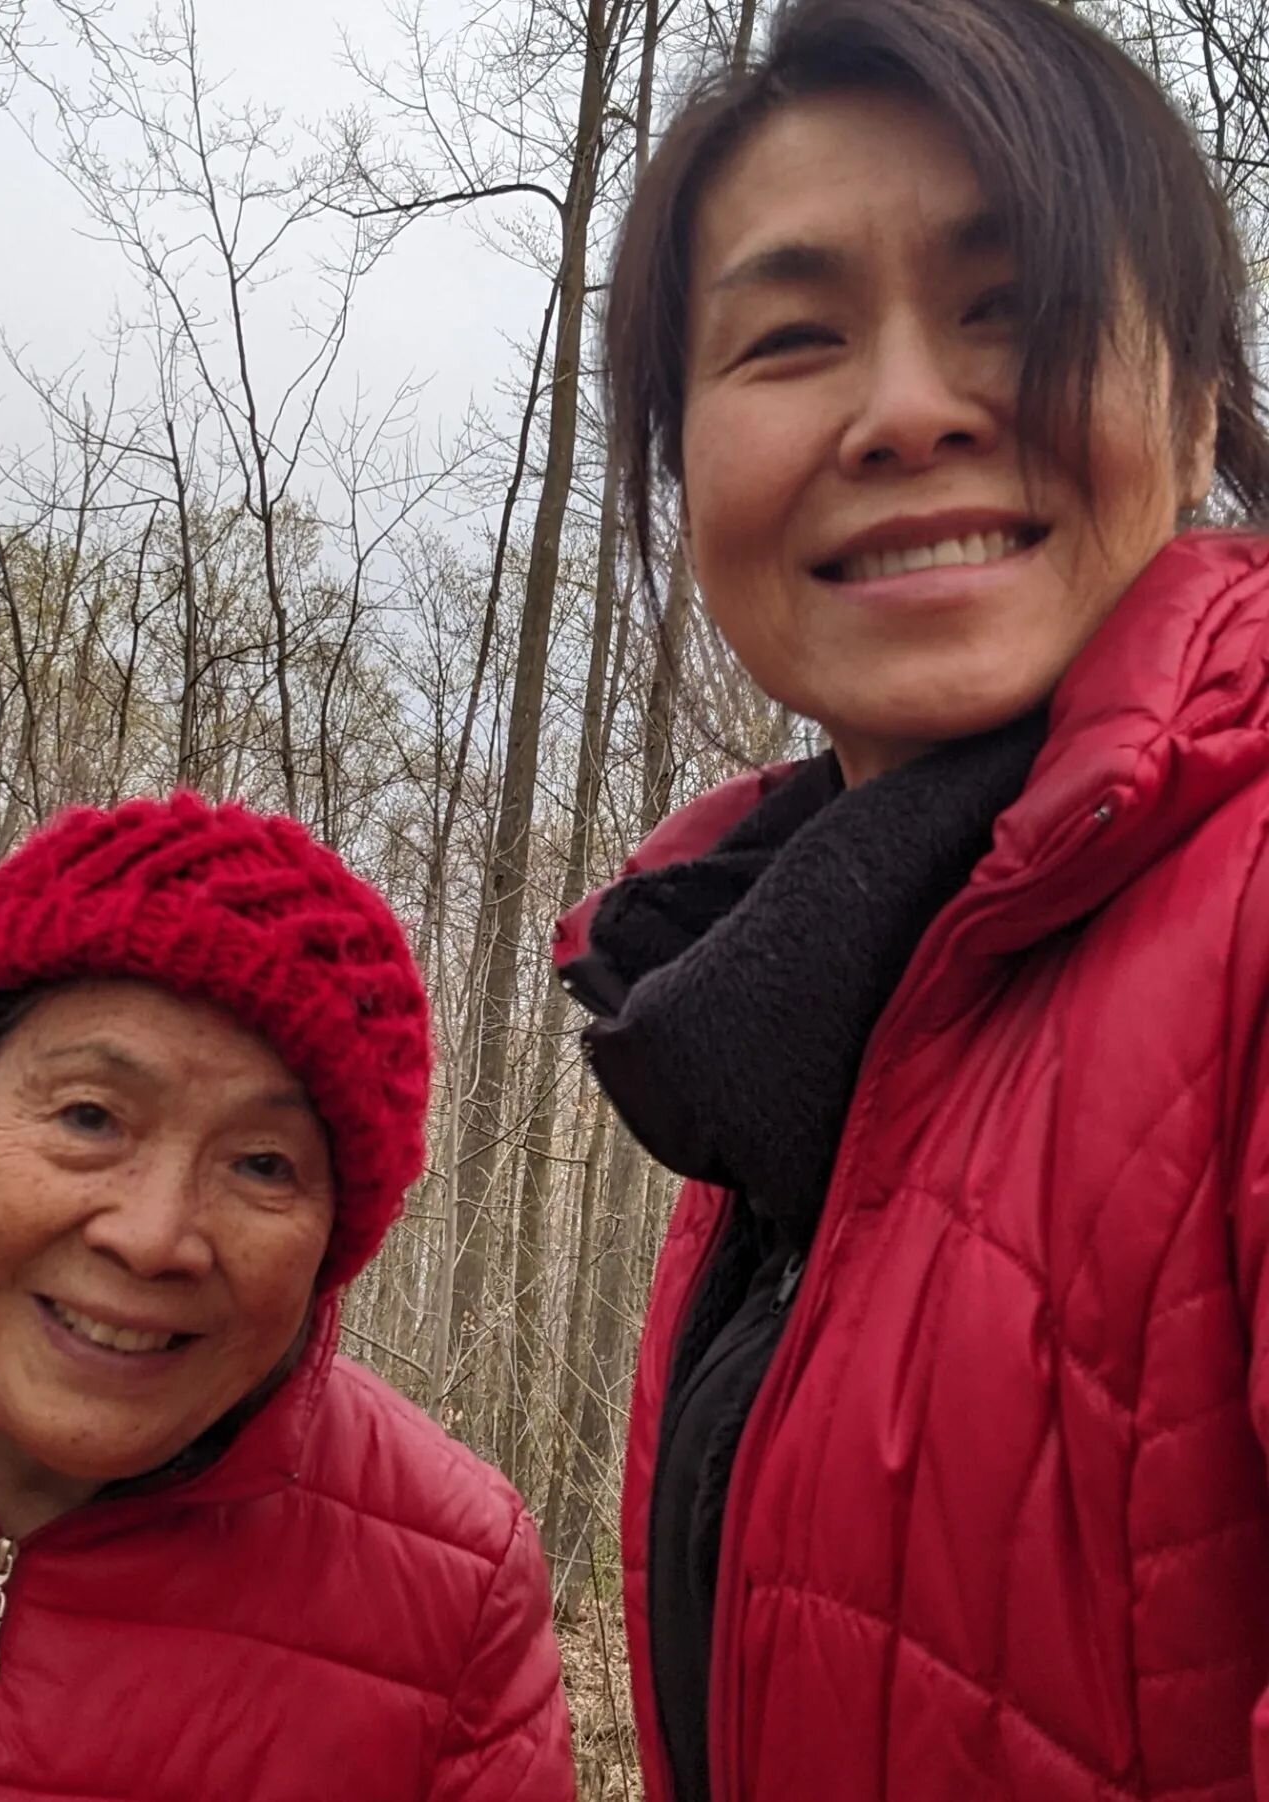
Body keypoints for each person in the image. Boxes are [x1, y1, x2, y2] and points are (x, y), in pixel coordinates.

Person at [552, 0, 1269, 1797]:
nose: (904, 410)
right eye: (790, 339)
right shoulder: (774, 1024)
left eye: (1009, 307)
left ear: (1193, 402)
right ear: (680, 459)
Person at [0, 791, 573, 1801]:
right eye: (91, 1115)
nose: (152, 1235)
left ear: (330, 1239)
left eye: (263, 1165)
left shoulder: (455, 1589)